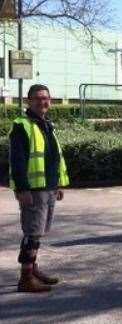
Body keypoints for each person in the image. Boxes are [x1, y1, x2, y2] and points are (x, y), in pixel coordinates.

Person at [9, 84, 69, 292]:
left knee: (39, 232)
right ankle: (26, 278)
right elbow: (17, 161)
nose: (43, 102)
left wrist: (58, 184)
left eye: (46, 98)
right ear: (29, 101)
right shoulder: (22, 125)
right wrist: (22, 189)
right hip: (33, 190)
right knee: (32, 233)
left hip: (48, 187)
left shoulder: (46, 125)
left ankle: (33, 269)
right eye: (38, 98)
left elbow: (54, 157)